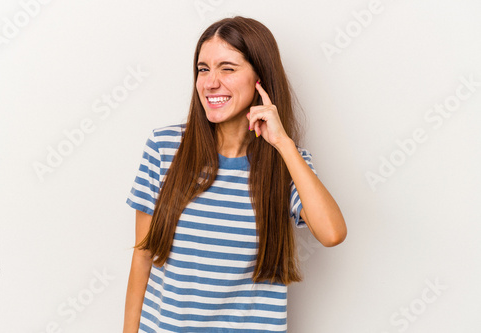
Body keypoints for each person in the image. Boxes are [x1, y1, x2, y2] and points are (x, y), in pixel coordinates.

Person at [123, 16, 347, 333]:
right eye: (203, 69)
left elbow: (332, 233)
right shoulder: (165, 148)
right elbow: (143, 256)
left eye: (227, 68)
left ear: (261, 79)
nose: (210, 82)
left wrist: (282, 143)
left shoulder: (287, 162)